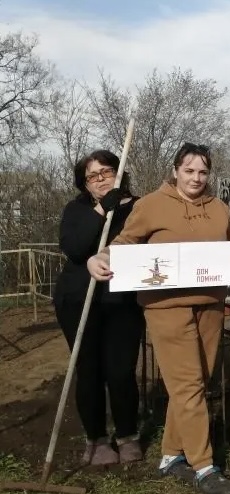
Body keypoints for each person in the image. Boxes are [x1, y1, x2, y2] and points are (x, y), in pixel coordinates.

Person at [87, 143, 230, 494]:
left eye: (203, 172)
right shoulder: (151, 205)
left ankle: (171, 455)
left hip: (210, 304)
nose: (196, 178)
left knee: (197, 381)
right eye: (189, 170)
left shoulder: (220, 208)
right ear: (175, 170)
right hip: (165, 305)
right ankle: (204, 466)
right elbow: (124, 242)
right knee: (188, 384)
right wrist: (99, 257)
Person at [53, 150, 146, 466]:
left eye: (106, 172)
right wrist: (100, 209)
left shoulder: (138, 208)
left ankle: (127, 435)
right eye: (92, 176)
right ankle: (97, 439)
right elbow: (75, 248)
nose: (100, 179)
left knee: (121, 371)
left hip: (122, 300)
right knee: (89, 370)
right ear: (84, 184)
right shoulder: (77, 209)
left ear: (119, 173)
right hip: (79, 301)